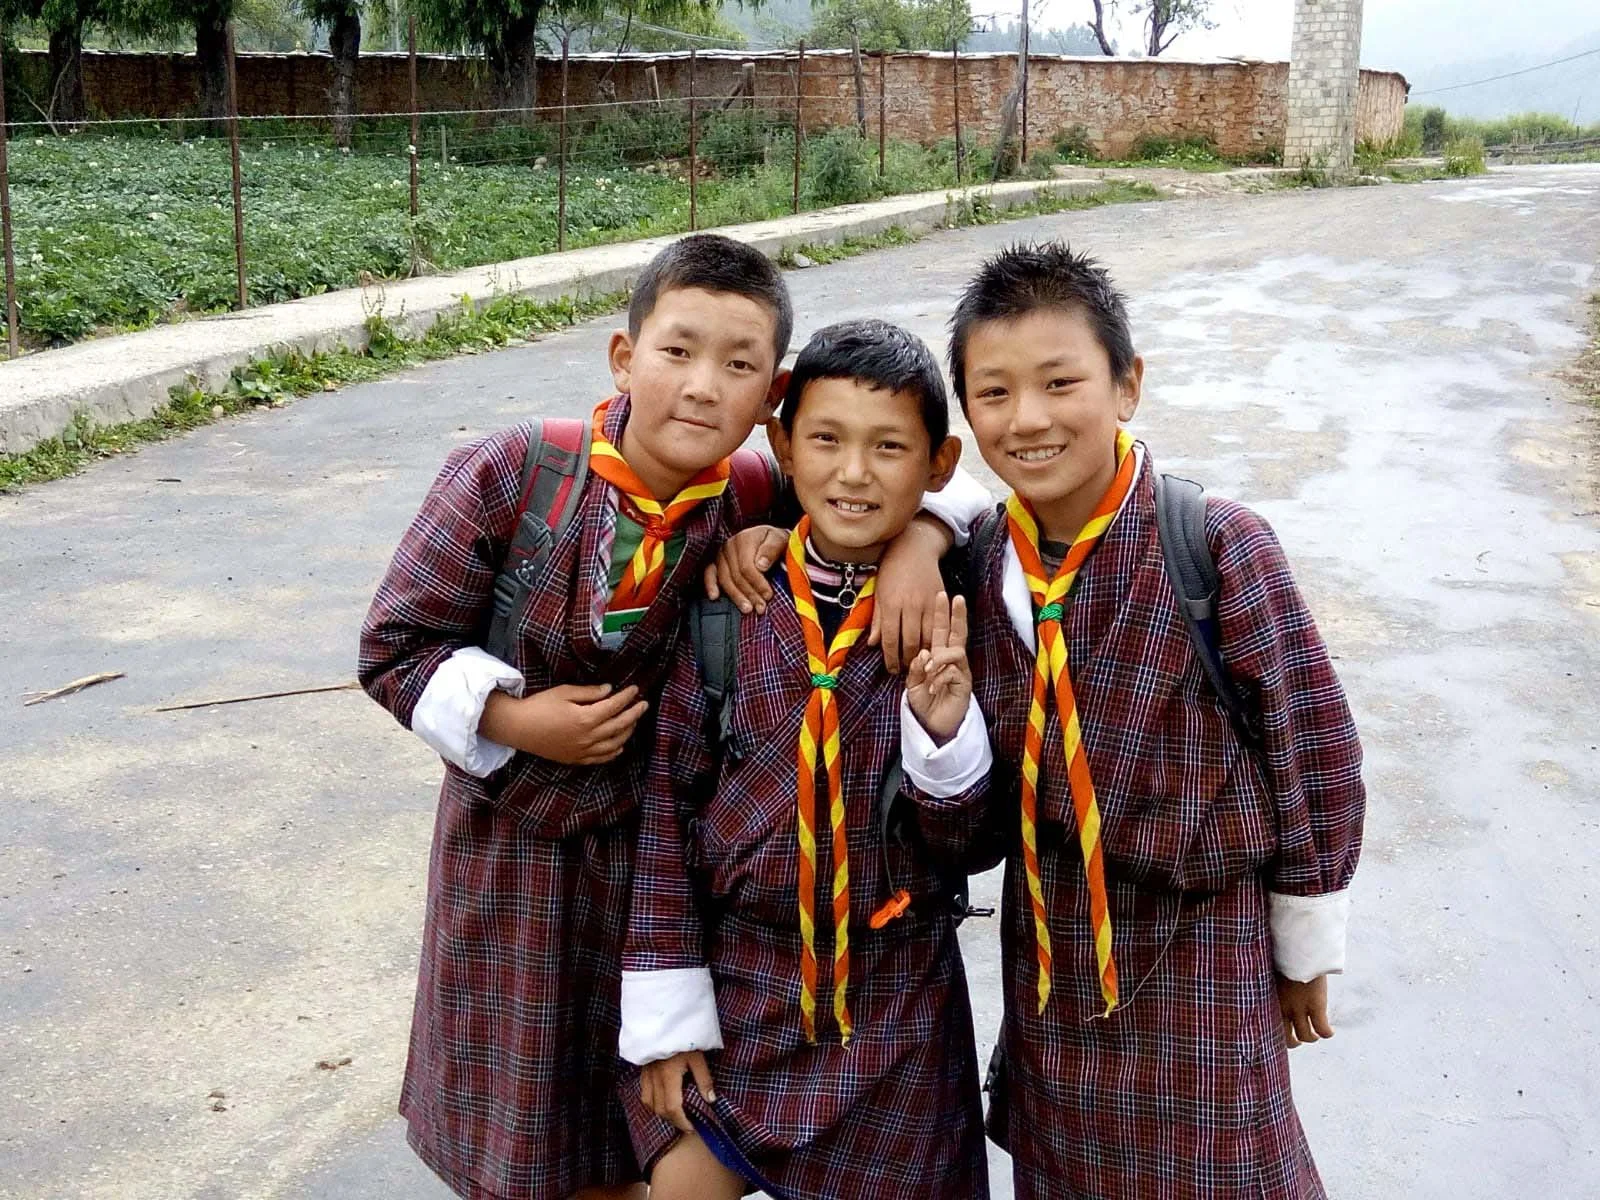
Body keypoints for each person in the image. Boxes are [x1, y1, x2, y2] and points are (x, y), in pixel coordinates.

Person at [358, 235, 980, 1200]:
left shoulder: (754, 488)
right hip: (517, 875)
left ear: (770, 397)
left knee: (639, 1136)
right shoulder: (513, 471)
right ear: (624, 356)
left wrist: (922, 546)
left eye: (738, 365)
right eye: (678, 351)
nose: (701, 387)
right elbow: (393, 649)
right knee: (529, 1136)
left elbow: (908, 475)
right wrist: (517, 720)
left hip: (667, 879)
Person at [916, 242, 1367, 1199]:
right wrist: (945, 736)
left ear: (1127, 386)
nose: (1027, 418)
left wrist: (1301, 952)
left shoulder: (1215, 546)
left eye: (1060, 382)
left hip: (1201, 959)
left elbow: (1314, 751)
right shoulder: (981, 563)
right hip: (1052, 969)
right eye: (993, 393)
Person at [617, 319, 996, 1200]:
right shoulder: (731, 604)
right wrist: (670, 1019)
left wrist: (943, 737)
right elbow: (666, 815)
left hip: (898, 1004)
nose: (854, 472)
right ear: (783, 447)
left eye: (889, 448)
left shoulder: (955, 608)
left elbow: (974, 847)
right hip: (743, 989)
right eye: (825, 440)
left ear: (938, 464)